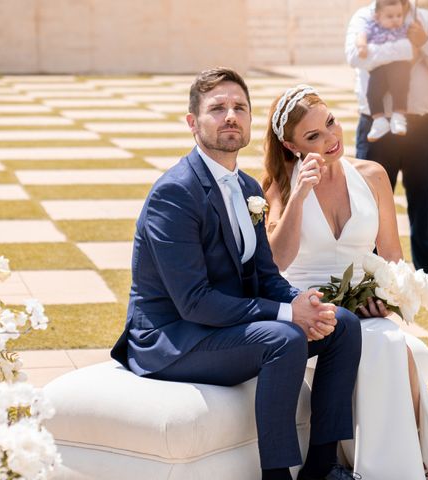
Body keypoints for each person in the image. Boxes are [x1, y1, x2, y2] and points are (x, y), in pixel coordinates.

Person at [263, 84, 428, 479]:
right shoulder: (281, 187)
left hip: (361, 307)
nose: (331, 139)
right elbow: (275, 262)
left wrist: (387, 295)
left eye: (331, 123)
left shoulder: (372, 175)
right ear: (291, 146)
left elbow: (391, 257)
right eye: (313, 137)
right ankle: (404, 467)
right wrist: (301, 194)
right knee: (388, 346)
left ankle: (402, 463)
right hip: (313, 316)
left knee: (389, 340)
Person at [110, 68, 363, 480]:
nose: (230, 116)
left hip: (224, 326)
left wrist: (304, 303)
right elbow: (193, 302)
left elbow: (265, 274)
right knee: (282, 337)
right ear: (193, 123)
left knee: (342, 324)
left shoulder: (248, 188)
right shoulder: (174, 194)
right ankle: (276, 474)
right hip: (173, 337)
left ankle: (322, 468)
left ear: (248, 120)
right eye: (217, 108)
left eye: (239, 107)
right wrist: (285, 315)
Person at [346, 0, 428, 297]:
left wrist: (426, 45)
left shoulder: (427, 20)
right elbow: (357, 58)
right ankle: (366, 284)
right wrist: (407, 49)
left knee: (423, 202)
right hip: (377, 128)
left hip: (421, 127)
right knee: (369, 206)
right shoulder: (362, 19)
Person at [357, 0, 413, 140]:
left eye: (399, 15)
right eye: (390, 16)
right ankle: (379, 121)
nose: (395, 20)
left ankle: (399, 117)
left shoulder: (404, 28)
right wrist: (362, 46)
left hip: (399, 67)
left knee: (400, 89)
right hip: (379, 68)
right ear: (378, 17)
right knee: (372, 93)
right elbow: (361, 35)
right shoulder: (373, 27)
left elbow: (419, 38)